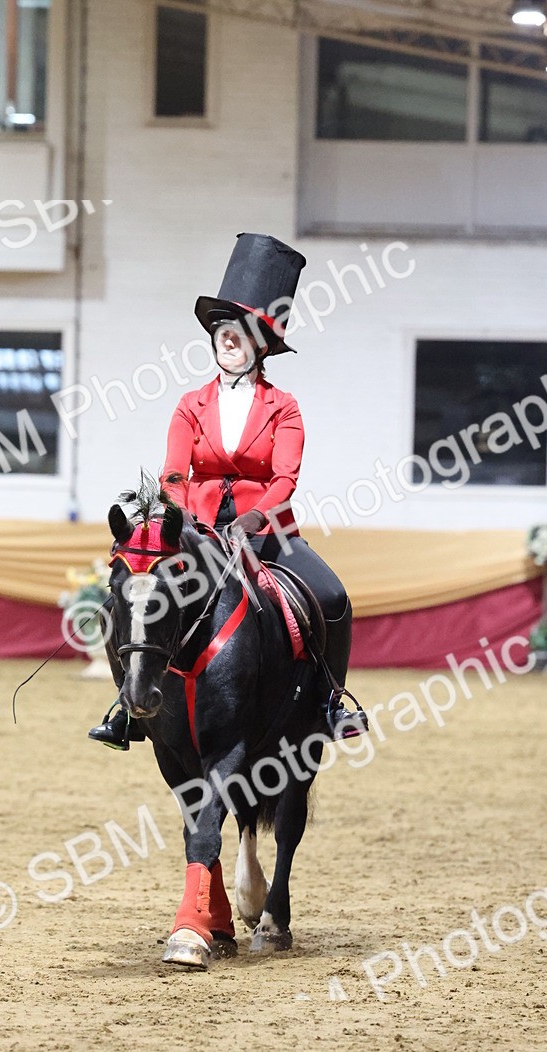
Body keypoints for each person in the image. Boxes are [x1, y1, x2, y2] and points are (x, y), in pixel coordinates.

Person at [89, 232, 365, 750]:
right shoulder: (190, 404)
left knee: (332, 596)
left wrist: (253, 520)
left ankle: (331, 703)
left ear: (261, 344)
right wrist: (181, 519)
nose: (226, 338)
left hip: (266, 534)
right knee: (126, 601)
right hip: (197, 532)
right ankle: (127, 708)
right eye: (220, 330)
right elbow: (174, 473)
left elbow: (285, 479)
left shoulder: (284, 406)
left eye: (237, 331)